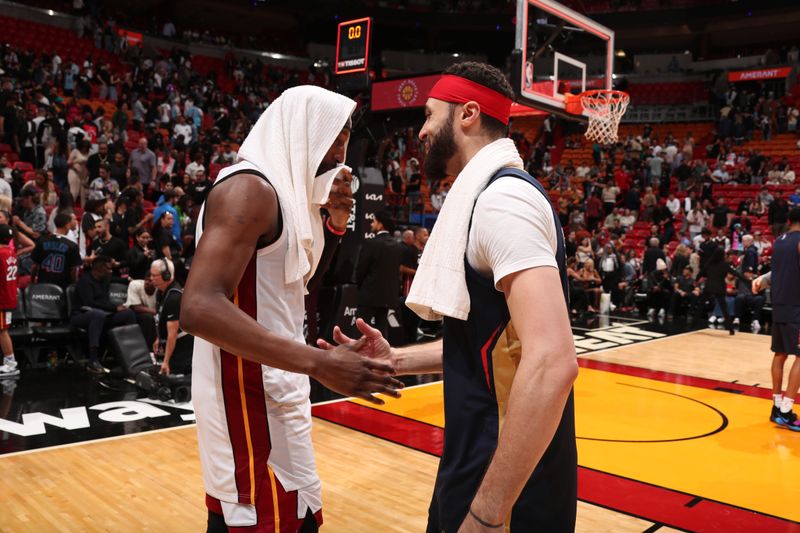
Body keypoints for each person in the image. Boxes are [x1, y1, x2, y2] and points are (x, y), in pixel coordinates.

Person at [323, 62, 578, 532]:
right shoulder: (485, 199)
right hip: (475, 469)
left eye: (429, 114)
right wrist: (394, 361)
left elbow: (552, 361)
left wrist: (488, 512)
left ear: (468, 114)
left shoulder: (505, 203)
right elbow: (495, 345)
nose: (419, 131)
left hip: (506, 495)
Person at [180, 86, 403, 532]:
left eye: (345, 139)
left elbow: (289, 292)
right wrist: (319, 363)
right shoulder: (250, 189)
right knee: (261, 520)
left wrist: (335, 229)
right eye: (333, 138)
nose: (341, 153)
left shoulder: (288, 196)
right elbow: (199, 306)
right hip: (245, 397)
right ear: (302, 133)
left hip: (278, 385)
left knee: (300, 520)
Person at [753, 208, 800, 430]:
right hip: (796, 306)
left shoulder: (779, 241)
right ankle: (787, 411)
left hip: (779, 305)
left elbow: (780, 271)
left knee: (780, 354)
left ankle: (776, 405)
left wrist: (762, 280)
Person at [70, 256, 137, 373]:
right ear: (99, 269)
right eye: (109, 269)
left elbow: (116, 279)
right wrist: (114, 308)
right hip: (80, 315)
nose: (111, 271)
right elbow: (89, 303)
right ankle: (93, 360)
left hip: (102, 314)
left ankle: (130, 356)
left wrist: (130, 281)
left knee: (128, 314)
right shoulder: (84, 282)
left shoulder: (105, 279)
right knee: (98, 314)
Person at [354, 210, 403, 337]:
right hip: (388, 296)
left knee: (360, 327)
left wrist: (358, 286)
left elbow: (361, 269)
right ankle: (382, 356)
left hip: (370, 294)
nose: (371, 224)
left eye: (374, 221)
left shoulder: (371, 243)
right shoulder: (397, 245)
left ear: (380, 224)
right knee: (381, 329)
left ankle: (355, 356)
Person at [149, 258, 192, 375]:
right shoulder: (160, 292)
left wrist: (166, 362)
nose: (151, 278)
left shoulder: (174, 298)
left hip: (183, 349)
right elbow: (160, 317)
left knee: (171, 376)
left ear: (166, 276)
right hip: (173, 344)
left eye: (154, 275)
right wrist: (158, 338)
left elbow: (172, 334)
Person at [31, 212, 82, 289]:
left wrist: (32, 282)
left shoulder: (41, 241)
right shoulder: (72, 246)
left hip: (43, 285)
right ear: (67, 225)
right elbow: (74, 270)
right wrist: (74, 285)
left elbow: (35, 266)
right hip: (62, 286)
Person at [0, 225, 19, 378]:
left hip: (2, 300)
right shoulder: (11, 252)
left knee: (2, 331)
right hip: (9, 297)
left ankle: (10, 363)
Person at [124, 271, 157, 349]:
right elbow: (136, 307)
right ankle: (147, 350)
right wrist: (156, 312)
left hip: (155, 316)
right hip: (134, 315)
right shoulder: (135, 284)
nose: (147, 282)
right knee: (148, 318)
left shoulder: (160, 289)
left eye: (150, 281)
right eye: (146, 280)